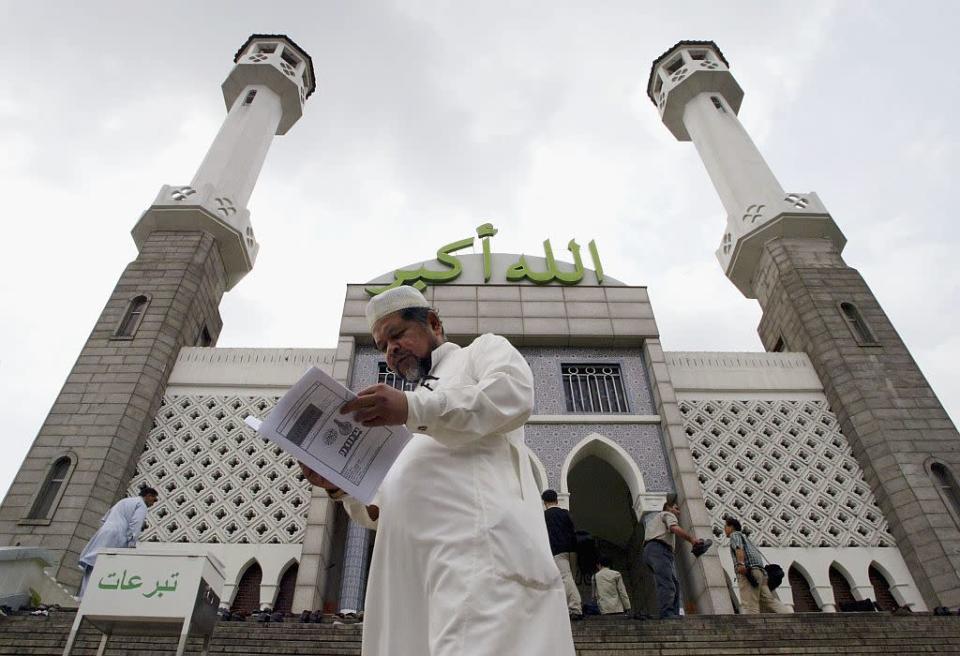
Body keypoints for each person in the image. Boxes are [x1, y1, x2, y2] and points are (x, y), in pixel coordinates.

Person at [300, 286, 575, 656]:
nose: (391, 350)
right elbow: (379, 508)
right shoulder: (406, 419)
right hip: (409, 583)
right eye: (383, 345)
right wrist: (340, 487)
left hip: (474, 562)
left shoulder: (480, 353)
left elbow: (511, 395)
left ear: (433, 324)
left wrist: (412, 409)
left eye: (397, 335)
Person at [77, 487, 159, 597]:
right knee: (105, 565)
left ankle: (84, 595)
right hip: (117, 534)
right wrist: (132, 543)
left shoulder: (124, 501)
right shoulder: (141, 505)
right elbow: (135, 524)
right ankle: (91, 595)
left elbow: (105, 518)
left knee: (94, 565)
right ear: (149, 496)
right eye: (154, 500)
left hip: (105, 531)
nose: (153, 504)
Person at [641, 495, 706, 619]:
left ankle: (673, 613)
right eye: (676, 508)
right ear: (668, 508)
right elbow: (674, 528)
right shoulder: (667, 514)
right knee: (667, 584)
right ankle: (667, 614)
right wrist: (692, 540)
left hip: (650, 551)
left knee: (673, 584)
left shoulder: (654, 520)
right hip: (660, 550)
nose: (678, 512)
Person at [724, 517, 790, 614]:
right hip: (761, 573)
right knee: (769, 600)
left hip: (749, 572)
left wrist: (741, 564)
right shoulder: (746, 538)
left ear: (731, 527)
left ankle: (754, 625)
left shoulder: (735, 535)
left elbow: (739, 548)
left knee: (750, 603)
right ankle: (788, 614)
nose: (724, 529)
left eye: (726, 526)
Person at [541, 489, 583, 620]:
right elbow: (572, 530)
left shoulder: (544, 516)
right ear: (557, 500)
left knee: (565, 578)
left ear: (544, 502)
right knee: (570, 578)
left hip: (558, 550)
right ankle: (569, 606)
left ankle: (575, 608)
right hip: (572, 549)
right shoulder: (565, 513)